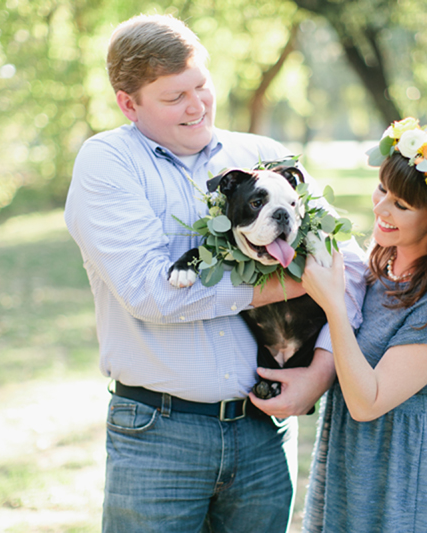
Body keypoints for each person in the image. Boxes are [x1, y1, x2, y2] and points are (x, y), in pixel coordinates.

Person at [63, 13, 365, 533]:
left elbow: (352, 265)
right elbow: (152, 293)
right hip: (159, 434)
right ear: (128, 103)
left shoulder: (266, 157)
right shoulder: (107, 163)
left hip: (264, 432)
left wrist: (319, 374)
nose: (197, 104)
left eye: (202, 85)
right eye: (174, 96)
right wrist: (297, 280)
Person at [295, 118, 427, 532]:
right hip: (357, 461)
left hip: (413, 475)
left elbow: (367, 402)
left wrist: (334, 306)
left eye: (402, 205)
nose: (380, 208)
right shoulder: (379, 266)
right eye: (382, 190)